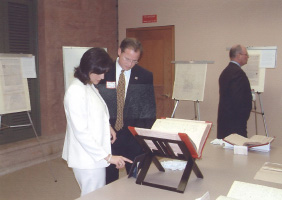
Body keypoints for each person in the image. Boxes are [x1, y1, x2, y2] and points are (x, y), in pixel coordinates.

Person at [62, 47, 132, 196]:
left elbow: (95, 113)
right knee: (93, 195)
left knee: (97, 194)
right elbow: (81, 132)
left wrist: (107, 127)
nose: (102, 77)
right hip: (87, 159)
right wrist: (108, 157)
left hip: (95, 154)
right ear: (88, 68)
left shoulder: (88, 85)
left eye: (104, 72)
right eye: (99, 72)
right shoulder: (76, 92)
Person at [97, 38, 156, 184]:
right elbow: (96, 105)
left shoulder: (145, 76)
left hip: (133, 138)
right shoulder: (103, 72)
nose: (129, 64)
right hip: (108, 135)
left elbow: (149, 110)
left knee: (136, 181)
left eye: (134, 61)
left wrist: (144, 138)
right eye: (127, 59)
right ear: (119, 52)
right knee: (108, 181)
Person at [217, 44, 252, 139]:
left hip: (226, 122)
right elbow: (238, 101)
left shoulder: (226, 72)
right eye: (246, 54)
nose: (247, 57)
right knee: (237, 151)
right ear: (239, 55)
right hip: (235, 125)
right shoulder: (238, 73)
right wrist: (243, 117)